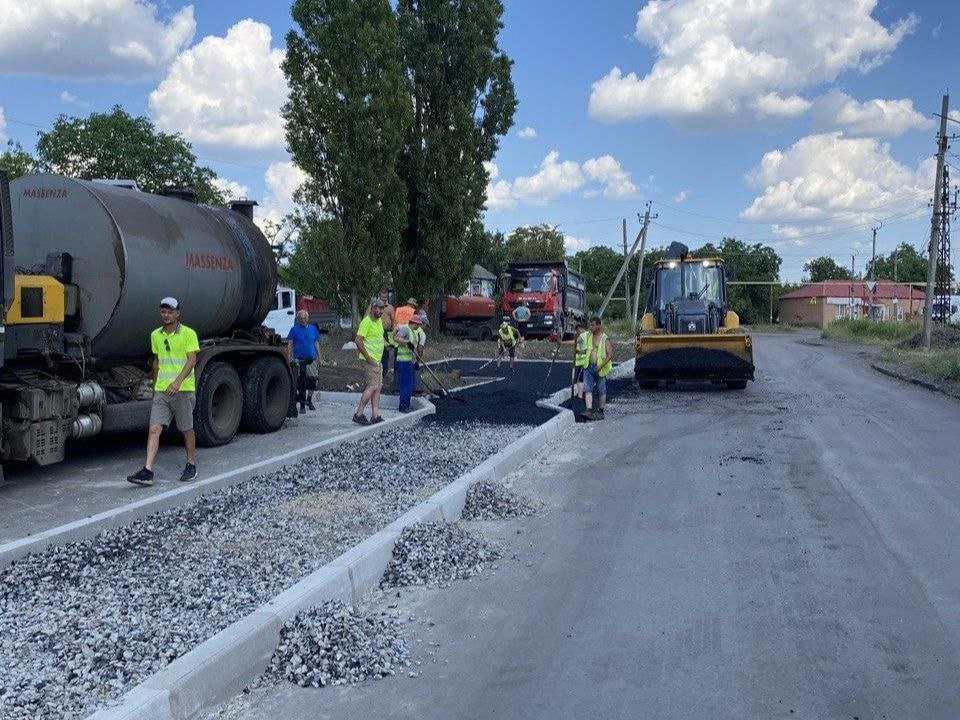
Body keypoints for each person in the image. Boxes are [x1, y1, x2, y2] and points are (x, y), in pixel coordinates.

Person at [126, 297, 200, 486]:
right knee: (154, 429)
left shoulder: (189, 334)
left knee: (186, 428)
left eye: (170, 311)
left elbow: (192, 360)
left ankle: (191, 463)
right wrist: (155, 385)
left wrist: (177, 381)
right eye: (163, 311)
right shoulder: (155, 335)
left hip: (182, 389)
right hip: (162, 391)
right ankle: (148, 471)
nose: (166, 315)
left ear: (178, 313)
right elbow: (157, 361)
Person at [354, 298, 386, 425]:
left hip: (377, 360)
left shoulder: (378, 322)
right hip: (370, 361)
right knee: (372, 386)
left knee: (378, 387)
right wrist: (368, 357)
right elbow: (358, 340)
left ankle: (375, 415)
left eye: (383, 308)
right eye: (379, 308)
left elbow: (377, 338)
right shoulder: (366, 322)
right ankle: (359, 414)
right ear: (373, 308)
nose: (382, 311)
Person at [286, 309, 322, 413]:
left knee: (312, 380)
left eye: (305, 318)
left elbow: (316, 343)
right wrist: (289, 358)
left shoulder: (313, 329)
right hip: (299, 360)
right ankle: (301, 403)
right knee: (300, 382)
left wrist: (320, 358)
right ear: (298, 319)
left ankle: (309, 400)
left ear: (308, 318)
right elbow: (290, 344)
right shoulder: (294, 330)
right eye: (301, 318)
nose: (303, 320)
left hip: (311, 359)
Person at [582, 315, 614, 421]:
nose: (590, 327)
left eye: (592, 325)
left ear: (598, 326)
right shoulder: (588, 336)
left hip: (600, 368)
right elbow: (579, 338)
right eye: (590, 325)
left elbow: (610, 354)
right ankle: (589, 410)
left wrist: (601, 365)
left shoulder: (605, 338)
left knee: (601, 389)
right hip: (588, 367)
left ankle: (601, 411)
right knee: (588, 388)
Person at [395, 313, 426, 413]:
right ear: (415, 323)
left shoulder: (413, 333)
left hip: (409, 362)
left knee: (410, 385)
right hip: (403, 362)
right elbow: (396, 338)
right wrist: (406, 342)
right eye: (418, 324)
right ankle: (403, 406)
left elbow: (413, 350)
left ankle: (406, 405)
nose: (419, 326)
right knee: (406, 385)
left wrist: (416, 361)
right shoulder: (405, 329)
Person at [378, 288, 396, 379]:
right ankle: (377, 373)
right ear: (379, 296)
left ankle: (384, 373)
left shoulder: (390, 308)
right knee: (377, 352)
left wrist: (394, 334)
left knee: (386, 353)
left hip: (386, 333)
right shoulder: (374, 307)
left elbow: (394, 322)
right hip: (377, 333)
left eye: (385, 297)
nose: (384, 299)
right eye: (382, 297)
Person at [573, 320, 589, 400]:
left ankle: (580, 396)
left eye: (577, 331)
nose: (577, 333)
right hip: (587, 361)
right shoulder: (588, 335)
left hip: (584, 361)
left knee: (579, 379)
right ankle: (585, 393)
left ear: (580, 328)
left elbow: (574, 342)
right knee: (584, 378)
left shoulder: (583, 335)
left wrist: (562, 342)